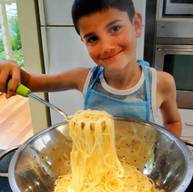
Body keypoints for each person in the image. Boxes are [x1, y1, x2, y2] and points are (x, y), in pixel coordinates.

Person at [0, 0, 181, 136]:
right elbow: (30, 82)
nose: (106, 46)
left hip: (139, 175)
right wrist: (11, 68)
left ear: (136, 25)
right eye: (93, 38)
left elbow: (173, 122)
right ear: (83, 42)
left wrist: (165, 152)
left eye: (115, 28)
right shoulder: (83, 78)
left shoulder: (161, 83)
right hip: (93, 173)